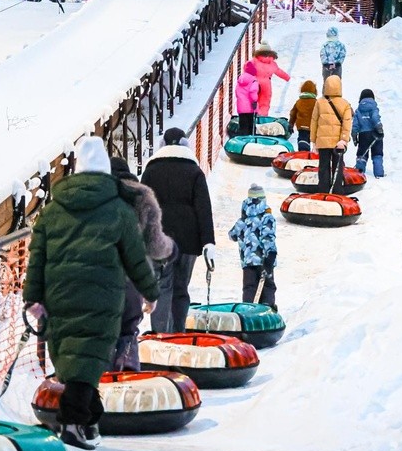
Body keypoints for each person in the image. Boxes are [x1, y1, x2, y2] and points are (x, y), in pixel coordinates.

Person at [24, 137, 159, 451]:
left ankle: (87, 420)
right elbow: (135, 258)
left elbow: (37, 257)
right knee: (89, 358)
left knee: (75, 360)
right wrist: (150, 292)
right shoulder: (119, 211)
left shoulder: (52, 211)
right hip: (102, 297)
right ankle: (72, 427)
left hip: (59, 295)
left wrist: (33, 297)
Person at [140, 127, 216, 334]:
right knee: (181, 288)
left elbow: (142, 208)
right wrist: (208, 242)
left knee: (162, 287)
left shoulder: (151, 171)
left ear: (162, 144)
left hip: (159, 239)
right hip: (189, 241)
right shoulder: (194, 171)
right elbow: (204, 209)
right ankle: (178, 335)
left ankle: (161, 336)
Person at [109, 157, 175, 373]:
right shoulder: (141, 197)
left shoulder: (95, 197)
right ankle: (127, 372)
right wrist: (171, 250)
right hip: (131, 277)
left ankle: (103, 377)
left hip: (98, 277)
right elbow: (155, 244)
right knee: (128, 328)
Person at [228, 184, 277, 311]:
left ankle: (248, 310)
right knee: (268, 286)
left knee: (249, 287)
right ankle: (267, 309)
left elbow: (232, 235)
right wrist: (271, 254)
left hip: (248, 262)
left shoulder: (242, 220)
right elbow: (268, 237)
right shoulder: (267, 217)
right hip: (264, 260)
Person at [310, 75, 353, 194]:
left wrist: (313, 140)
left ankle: (323, 191)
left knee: (323, 167)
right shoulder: (345, 104)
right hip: (338, 143)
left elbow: (314, 122)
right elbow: (347, 123)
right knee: (337, 168)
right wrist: (344, 140)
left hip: (322, 142)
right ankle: (337, 191)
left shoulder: (319, 102)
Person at [248, 40, 290, 116]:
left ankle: (252, 116)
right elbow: (279, 71)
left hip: (255, 83)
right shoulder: (272, 63)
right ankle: (262, 117)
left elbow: (247, 69)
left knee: (253, 101)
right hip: (266, 85)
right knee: (265, 103)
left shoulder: (254, 62)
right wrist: (287, 77)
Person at [352, 89, 385, 178]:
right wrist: (379, 128)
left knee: (362, 154)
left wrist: (354, 136)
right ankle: (379, 174)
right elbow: (375, 117)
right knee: (377, 154)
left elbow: (355, 124)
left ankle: (359, 173)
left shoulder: (358, 110)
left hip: (363, 135)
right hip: (375, 134)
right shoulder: (373, 107)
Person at [288, 80, 318, 151]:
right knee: (315, 141)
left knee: (303, 140)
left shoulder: (299, 101)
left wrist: (291, 124)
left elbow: (293, 114)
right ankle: (314, 153)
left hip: (301, 126)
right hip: (313, 126)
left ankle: (303, 152)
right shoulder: (316, 102)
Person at [235, 61, 260, 136]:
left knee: (243, 126)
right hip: (250, 108)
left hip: (241, 107)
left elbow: (236, 92)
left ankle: (243, 140)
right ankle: (250, 141)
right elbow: (253, 91)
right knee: (250, 127)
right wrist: (254, 101)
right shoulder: (253, 80)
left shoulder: (240, 80)